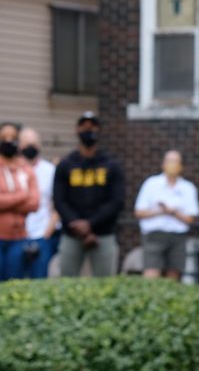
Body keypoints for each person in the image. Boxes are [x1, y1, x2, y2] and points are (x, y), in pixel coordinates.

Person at [53, 112, 125, 277]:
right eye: (84, 127)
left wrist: (90, 224)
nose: (88, 130)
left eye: (92, 127)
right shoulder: (65, 165)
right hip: (71, 234)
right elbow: (59, 200)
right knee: (67, 283)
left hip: (103, 234)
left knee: (105, 284)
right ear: (77, 130)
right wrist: (79, 227)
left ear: (99, 130)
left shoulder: (112, 165)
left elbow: (117, 201)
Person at [0, 123, 40, 283]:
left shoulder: (26, 169)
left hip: (19, 238)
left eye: (13, 137)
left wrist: (2, 197)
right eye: (3, 137)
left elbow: (34, 203)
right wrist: (22, 195)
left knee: (15, 284)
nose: (8, 141)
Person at [134, 150, 199, 281]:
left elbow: (191, 218)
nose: (172, 164)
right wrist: (161, 211)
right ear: (163, 164)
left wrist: (173, 212)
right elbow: (139, 212)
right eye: (169, 161)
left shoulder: (188, 188)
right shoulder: (151, 184)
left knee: (173, 278)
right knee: (151, 276)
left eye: (175, 161)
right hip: (154, 236)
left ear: (181, 166)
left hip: (178, 237)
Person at [19, 128, 57, 279]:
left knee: (39, 280)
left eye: (34, 144)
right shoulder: (13, 170)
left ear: (40, 146)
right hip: (16, 236)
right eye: (26, 143)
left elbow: (57, 204)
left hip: (42, 235)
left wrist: (46, 234)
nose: (30, 147)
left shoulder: (50, 170)